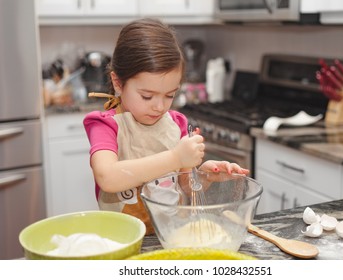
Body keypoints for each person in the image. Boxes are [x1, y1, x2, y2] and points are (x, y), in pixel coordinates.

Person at [83, 18, 249, 234]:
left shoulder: (176, 123)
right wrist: (176, 157)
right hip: (125, 240)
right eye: (147, 96)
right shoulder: (106, 125)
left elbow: (183, 187)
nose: (159, 106)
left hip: (173, 234)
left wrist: (205, 176)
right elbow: (108, 178)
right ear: (118, 83)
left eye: (170, 95)